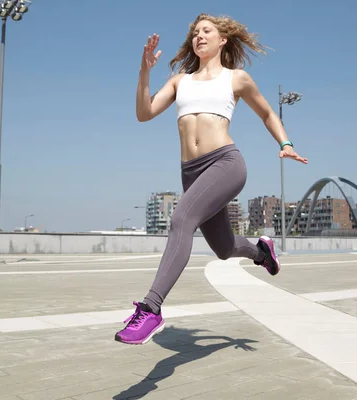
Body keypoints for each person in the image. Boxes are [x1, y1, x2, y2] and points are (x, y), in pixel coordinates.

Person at [115, 13, 308, 345]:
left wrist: (285, 143)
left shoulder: (237, 79)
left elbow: (265, 112)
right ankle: (261, 252)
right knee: (223, 248)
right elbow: (144, 113)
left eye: (206, 31)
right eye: (195, 33)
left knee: (181, 219)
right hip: (191, 173)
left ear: (222, 40)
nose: (199, 36)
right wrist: (144, 71)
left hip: (225, 163)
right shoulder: (180, 81)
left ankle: (151, 308)